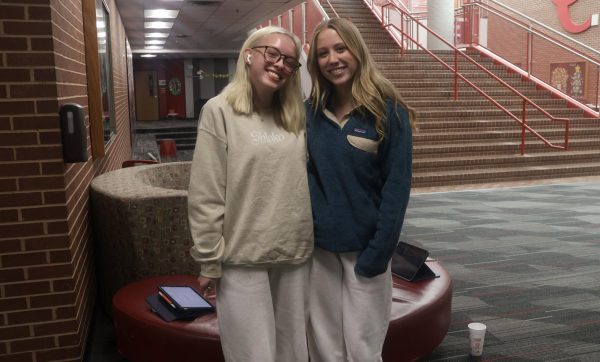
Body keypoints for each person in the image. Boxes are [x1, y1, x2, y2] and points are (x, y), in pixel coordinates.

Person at [187, 26, 313, 362]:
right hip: (243, 258)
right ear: (249, 54)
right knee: (251, 354)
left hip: (295, 254)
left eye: (290, 61)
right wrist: (209, 259)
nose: (280, 65)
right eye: (272, 54)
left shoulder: (296, 113)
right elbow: (206, 191)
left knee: (294, 352)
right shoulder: (220, 110)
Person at [305, 17, 417, 362]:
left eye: (341, 48)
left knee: (363, 349)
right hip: (319, 253)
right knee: (324, 346)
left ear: (357, 51)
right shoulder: (310, 112)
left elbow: (396, 190)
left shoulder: (388, 112)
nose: (333, 59)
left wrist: (378, 253)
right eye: (323, 53)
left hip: (366, 252)